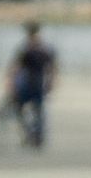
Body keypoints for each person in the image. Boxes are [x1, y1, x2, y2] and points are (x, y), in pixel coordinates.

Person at [7, 21, 55, 149]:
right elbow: (51, 68)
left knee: (25, 109)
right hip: (37, 82)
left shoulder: (28, 48)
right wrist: (51, 82)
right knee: (37, 111)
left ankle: (32, 134)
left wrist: (11, 83)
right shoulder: (43, 47)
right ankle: (35, 136)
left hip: (29, 82)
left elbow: (16, 68)